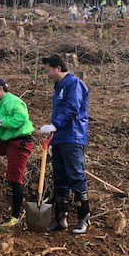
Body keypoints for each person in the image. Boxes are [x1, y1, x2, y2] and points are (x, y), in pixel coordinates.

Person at [40, 55, 90, 234]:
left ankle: (84, 217)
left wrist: (56, 124)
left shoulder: (73, 84)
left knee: (75, 175)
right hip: (59, 138)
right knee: (60, 176)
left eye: (49, 71)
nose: (48, 75)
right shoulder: (59, 87)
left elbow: (72, 108)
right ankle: (61, 217)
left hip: (72, 135)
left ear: (58, 68)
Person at [0, 77, 35, 227]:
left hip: (20, 141)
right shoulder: (0, 105)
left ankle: (15, 217)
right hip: (8, 140)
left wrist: (2, 122)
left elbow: (21, 118)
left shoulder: (13, 101)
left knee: (14, 177)